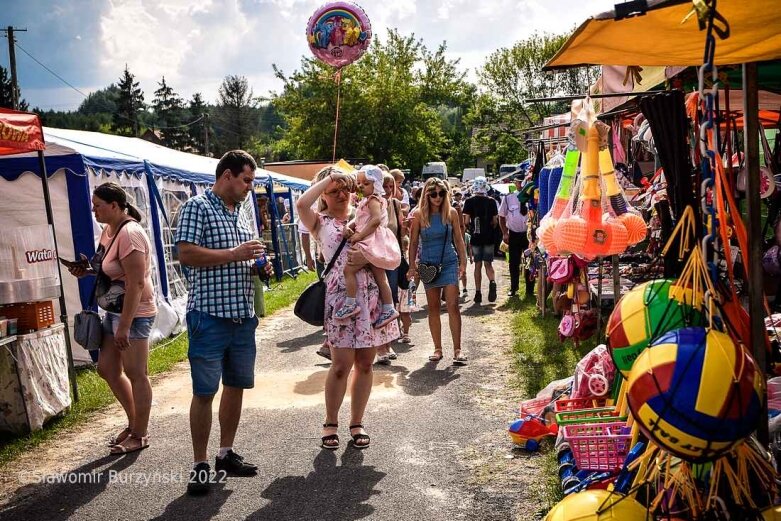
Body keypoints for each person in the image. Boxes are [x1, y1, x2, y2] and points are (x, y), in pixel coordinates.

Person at [175, 150, 269, 495]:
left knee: (236, 385)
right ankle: (200, 464)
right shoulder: (197, 207)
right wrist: (234, 254)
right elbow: (186, 254)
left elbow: (248, 256)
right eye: (246, 180)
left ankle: (225, 453)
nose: (249, 187)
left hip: (243, 316)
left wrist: (259, 265)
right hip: (209, 316)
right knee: (204, 392)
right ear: (226, 175)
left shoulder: (242, 211)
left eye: (252, 181)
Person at [296, 166, 400, 450]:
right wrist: (329, 177)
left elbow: (383, 240)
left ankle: (357, 422)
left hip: (370, 295)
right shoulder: (320, 222)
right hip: (342, 298)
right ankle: (331, 422)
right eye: (334, 190)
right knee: (341, 365)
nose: (342, 194)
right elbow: (301, 203)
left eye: (345, 188)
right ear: (325, 195)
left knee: (366, 363)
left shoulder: (363, 215)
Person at [66, 182, 157, 455]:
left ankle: (140, 434)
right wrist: (88, 270)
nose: (93, 209)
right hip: (114, 311)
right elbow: (110, 268)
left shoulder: (130, 234)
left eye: (97, 205)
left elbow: (137, 283)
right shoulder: (109, 230)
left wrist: (125, 326)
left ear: (115, 206)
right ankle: (133, 423)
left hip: (134, 314)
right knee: (106, 369)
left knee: (136, 374)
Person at [408, 178, 468, 365]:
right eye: (433, 194)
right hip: (427, 264)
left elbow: (458, 239)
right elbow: (413, 242)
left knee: (453, 304)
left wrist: (463, 262)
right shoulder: (418, 215)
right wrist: (412, 266)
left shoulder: (451, 213)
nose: (437, 197)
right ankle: (437, 348)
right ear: (426, 194)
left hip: (449, 261)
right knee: (433, 307)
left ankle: (457, 350)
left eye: (442, 193)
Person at [334, 165, 401, 329]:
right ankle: (389, 307)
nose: (361, 186)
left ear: (376, 184)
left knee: (348, 270)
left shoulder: (373, 200)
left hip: (371, 241)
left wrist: (359, 235)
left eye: (366, 183)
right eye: (360, 183)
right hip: (374, 241)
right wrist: (348, 226)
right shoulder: (367, 201)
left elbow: (375, 220)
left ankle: (351, 303)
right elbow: (359, 219)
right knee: (380, 276)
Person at [376, 172, 409, 364]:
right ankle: (381, 346)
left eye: (391, 187)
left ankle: (387, 343)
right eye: (385, 186)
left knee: (392, 302)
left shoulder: (396, 205)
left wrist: (408, 228)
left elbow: (400, 232)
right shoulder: (372, 204)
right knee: (380, 302)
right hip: (376, 260)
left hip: (393, 260)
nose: (388, 190)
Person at [462, 176, 499, 304]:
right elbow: (495, 221)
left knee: (478, 265)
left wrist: (469, 228)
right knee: (488, 263)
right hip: (488, 236)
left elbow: (466, 221)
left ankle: (478, 292)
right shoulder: (492, 201)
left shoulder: (469, 201)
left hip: (476, 236)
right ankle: (492, 282)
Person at [499, 175, 534, 298]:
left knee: (530, 262)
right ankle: (514, 288)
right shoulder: (508, 198)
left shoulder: (532, 197)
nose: (521, 185)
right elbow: (501, 216)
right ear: (515, 183)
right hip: (513, 234)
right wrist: (504, 232)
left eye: (523, 182)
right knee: (514, 262)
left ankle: (530, 289)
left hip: (528, 234)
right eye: (519, 182)